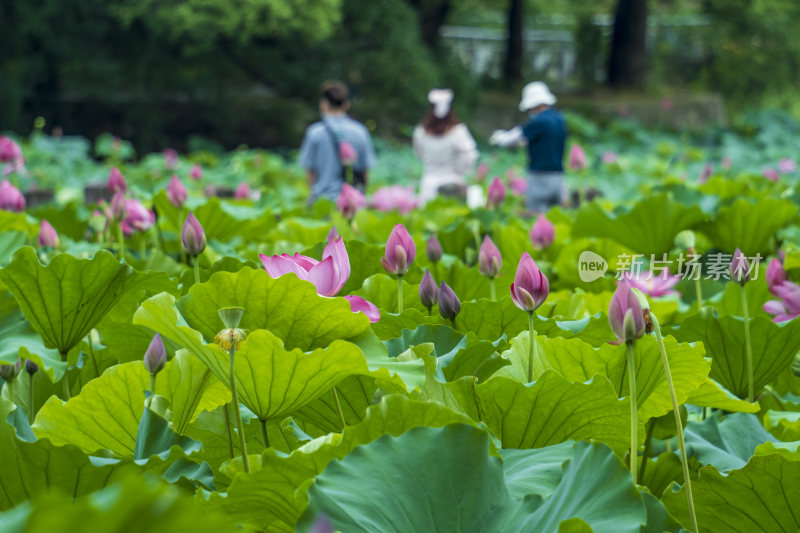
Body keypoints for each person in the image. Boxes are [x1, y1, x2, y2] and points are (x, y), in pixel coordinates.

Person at [489, 81, 567, 212]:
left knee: (537, 215)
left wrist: (500, 137)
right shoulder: (559, 119)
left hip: (540, 177)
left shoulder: (539, 122)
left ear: (534, 105)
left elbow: (514, 138)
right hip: (558, 177)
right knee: (555, 218)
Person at [299, 81, 376, 203]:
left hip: (323, 201)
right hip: (351, 202)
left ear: (323, 104)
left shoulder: (314, 132)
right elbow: (365, 172)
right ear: (346, 104)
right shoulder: (360, 131)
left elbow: (310, 172)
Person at [413, 89, 479, 203]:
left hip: (429, 184)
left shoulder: (421, 132)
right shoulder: (458, 132)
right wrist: (460, 170)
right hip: (453, 182)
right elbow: (470, 155)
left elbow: (419, 154)